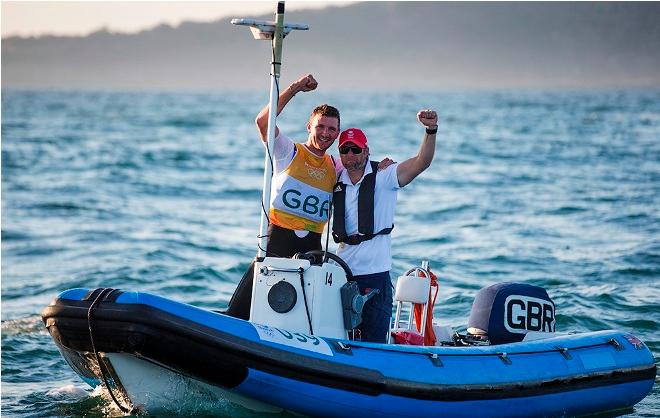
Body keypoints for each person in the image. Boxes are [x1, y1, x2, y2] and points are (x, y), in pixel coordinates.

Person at [225, 74, 341, 319]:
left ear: (337, 133)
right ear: (309, 126)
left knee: (298, 319)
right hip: (277, 241)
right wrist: (295, 88)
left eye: (332, 129)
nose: (325, 133)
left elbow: (362, 169)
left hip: (312, 249)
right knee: (238, 313)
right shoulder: (288, 151)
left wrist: (383, 165)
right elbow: (263, 121)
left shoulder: (336, 166)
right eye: (320, 126)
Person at [332, 110, 438, 342]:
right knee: (340, 338)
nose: (350, 155)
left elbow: (422, 162)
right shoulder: (335, 178)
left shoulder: (385, 176)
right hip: (341, 273)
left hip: (374, 275)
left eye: (356, 149)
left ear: (366, 151)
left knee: (373, 340)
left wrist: (430, 131)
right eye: (345, 150)